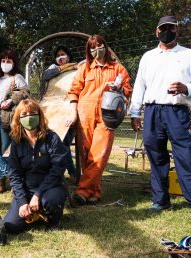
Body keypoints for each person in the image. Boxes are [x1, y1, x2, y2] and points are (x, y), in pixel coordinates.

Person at [129, 16, 191, 225]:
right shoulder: (148, 57)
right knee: (156, 158)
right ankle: (161, 201)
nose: (167, 31)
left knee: (185, 158)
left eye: (171, 28)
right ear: (157, 32)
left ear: (177, 31)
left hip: (177, 112)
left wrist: (188, 88)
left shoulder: (189, 55)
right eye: (163, 28)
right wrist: (135, 112)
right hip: (153, 111)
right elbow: (139, 85)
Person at [66, 35, 132, 205]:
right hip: (84, 113)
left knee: (100, 153)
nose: (97, 50)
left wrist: (120, 88)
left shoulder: (118, 68)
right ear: (89, 51)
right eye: (93, 48)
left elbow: (127, 90)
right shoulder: (85, 68)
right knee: (85, 153)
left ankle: (82, 191)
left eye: (100, 46)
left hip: (107, 115)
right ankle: (94, 191)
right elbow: (74, 91)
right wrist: (74, 113)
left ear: (106, 46)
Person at [4, 99, 67, 233]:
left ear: (39, 115)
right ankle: (34, 213)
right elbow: (14, 175)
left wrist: (37, 195)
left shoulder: (52, 138)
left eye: (32, 113)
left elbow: (57, 170)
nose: (29, 117)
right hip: (27, 189)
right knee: (11, 226)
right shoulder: (16, 142)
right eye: (24, 114)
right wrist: (22, 202)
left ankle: (51, 217)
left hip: (50, 188)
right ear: (19, 119)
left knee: (50, 201)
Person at [0, 49, 28, 194]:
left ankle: (2, 183)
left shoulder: (17, 77)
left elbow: (25, 93)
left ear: (14, 63)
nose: (5, 64)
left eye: (8, 61)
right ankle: (7, 170)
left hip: (8, 118)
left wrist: (10, 101)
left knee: (5, 152)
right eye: (3, 61)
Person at [42, 45, 77, 183]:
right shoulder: (52, 69)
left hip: (69, 109)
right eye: (58, 55)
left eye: (63, 54)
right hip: (50, 109)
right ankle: (61, 172)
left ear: (69, 55)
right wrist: (64, 67)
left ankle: (71, 172)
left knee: (63, 142)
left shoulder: (77, 70)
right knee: (55, 141)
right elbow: (46, 76)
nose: (60, 57)